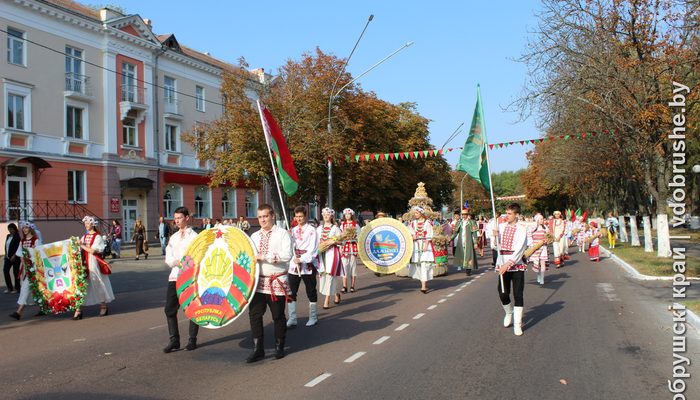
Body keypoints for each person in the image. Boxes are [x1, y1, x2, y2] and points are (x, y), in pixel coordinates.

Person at [246, 204, 293, 362]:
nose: (262, 220)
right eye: (260, 217)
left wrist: (265, 256)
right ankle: (258, 349)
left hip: (276, 280)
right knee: (254, 315)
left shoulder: (282, 234)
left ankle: (279, 347)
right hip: (259, 283)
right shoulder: (254, 236)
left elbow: (287, 255)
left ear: (272, 216)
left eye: (265, 216)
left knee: (278, 316)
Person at [163, 207, 200, 353]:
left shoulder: (195, 237)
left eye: (179, 218)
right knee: (169, 309)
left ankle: (192, 339)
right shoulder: (174, 237)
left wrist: (187, 263)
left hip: (190, 276)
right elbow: (168, 256)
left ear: (186, 217)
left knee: (192, 308)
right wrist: (175, 262)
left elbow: (199, 255)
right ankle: (174, 340)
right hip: (175, 276)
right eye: (175, 218)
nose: (177, 221)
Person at [493, 203, 528, 336]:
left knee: (518, 294)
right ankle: (508, 312)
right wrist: (495, 238)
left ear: (517, 215)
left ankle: (518, 324)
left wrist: (508, 263)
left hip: (515, 264)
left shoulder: (521, 229)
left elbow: (520, 249)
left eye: (509, 213)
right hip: (502, 261)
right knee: (502, 292)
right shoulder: (500, 227)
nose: (506, 216)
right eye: (506, 213)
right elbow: (496, 247)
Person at [74, 216, 114, 319]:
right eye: (85, 223)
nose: (85, 225)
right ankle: (78, 310)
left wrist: (81, 245)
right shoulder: (84, 236)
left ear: (92, 224)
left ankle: (103, 306)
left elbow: (93, 251)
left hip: (93, 262)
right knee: (81, 285)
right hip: (84, 262)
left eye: (87, 223)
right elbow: (79, 248)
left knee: (97, 283)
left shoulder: (98, 237)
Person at [287, 206, 319, 328]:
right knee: (291, 291)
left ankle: (313, 317)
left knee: (311, 290)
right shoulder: (293, 230)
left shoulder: (311, 230)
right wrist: (289, 237)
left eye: (301, 216)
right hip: (294, 265)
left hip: (307, 264)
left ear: (305, 216)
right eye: (297, 216)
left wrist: (302, 259)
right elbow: (290, 247)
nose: (299, 219)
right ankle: (292, 317)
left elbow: (313, 249)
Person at [8, 222, 42, 319]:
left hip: (34, 269)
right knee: (36, 289)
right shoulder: (22, 241)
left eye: (26, 228)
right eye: (23, 228)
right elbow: (20, 253)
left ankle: (18, 312)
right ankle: (43, 307)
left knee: (26, 288)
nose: (24, 230)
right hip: (26, 269)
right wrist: (23, 260)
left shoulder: (36, 241)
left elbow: (39, 254)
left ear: (30, 229)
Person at [317, 208, 343, 309]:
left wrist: (334, 242)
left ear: (331, 216)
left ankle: (326, 300)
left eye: (328, 215)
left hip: (332, 254)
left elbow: (342, 241)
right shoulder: (319, 228)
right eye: (324, 215)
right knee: (324, 276)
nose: (326, 217)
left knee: (330, 275)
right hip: (322, 255)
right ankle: (336, 293)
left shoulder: (335, 228)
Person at [408, 206, 435, 293]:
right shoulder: (413, 223)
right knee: (418, 265)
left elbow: (429, 234)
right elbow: (409, 232)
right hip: (416, 245)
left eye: (417, 213)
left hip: (425, 245)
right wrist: (413, 236)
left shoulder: (428, 222)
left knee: (424, 264)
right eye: (415, 213)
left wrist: (426, 245)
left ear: (421, 213)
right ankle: (423, 282)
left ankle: (423, 286)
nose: (415, 215)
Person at [451, 209, 478, 276]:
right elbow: (455, 233)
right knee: (462, 254)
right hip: (461, 241)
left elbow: (474, 233)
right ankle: (462, 266)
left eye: (465, 215)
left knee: (468, 254)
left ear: (467, 215)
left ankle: (468, 270)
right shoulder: (459, 223)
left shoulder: (471, 222)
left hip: (468, 241)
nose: (464, 216)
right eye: (463, 215)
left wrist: (475, 243)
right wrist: (450, 239)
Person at [527, 213, 550, 285]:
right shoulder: (532, 228)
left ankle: (542, 278)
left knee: (543, 263)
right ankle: (539, 275)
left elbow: (549, 236)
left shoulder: (545, 228)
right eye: (540, 219)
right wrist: (531, 245)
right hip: (535, 247)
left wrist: (547, 240)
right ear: (537, 220)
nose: (542, 220)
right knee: (537, 263)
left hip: (543, 247)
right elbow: (529, 236)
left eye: (543, 219)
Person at [340, 208, 359, 293]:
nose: (347, 216)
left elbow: (359, 236)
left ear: (351, 215)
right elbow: (340, 236)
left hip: (353, 247)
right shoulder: (342, 225)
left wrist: (354, 240)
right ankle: (344, 285)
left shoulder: (355, 225)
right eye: (346, 214)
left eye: (349, 214)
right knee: (344, 266)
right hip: (345, 247)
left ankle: (352, 285)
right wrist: (340, 246)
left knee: (353, 266)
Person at [3, 223, 21, 293]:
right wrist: (6, 254)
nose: (10, 231)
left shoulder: (17, 237)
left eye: (11, 229)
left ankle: (17, 288)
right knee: (5, 270)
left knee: (16, 272)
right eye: (9, 229)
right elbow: (7, 246)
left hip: (15, 257)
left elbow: (17, 247)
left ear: (14, 229)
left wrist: (14, 255)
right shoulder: (8, 236)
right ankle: (9, 287)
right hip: (8, 256)